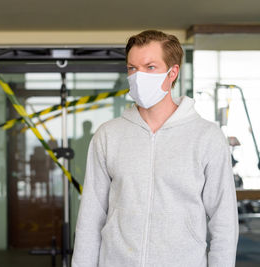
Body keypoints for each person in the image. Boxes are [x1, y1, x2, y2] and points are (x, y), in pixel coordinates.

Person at [71, 30, 238, 267]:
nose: (138, 76)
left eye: (150, 67)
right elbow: (90, 217)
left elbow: (224, 222)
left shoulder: (206, 137)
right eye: (132, 68)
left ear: (173, 72)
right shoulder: (108, 135)